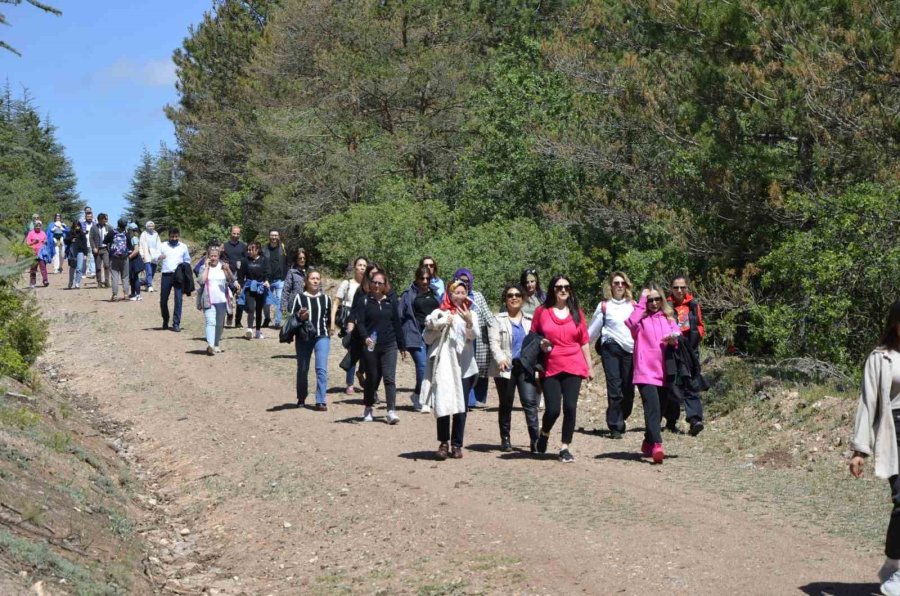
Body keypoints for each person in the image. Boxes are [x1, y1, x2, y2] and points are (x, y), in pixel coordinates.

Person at [850, 299, 900, 595]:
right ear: (895, 323)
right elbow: (867, 404)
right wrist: (860, 451)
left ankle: (893, 564)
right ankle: (895, 566)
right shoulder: (880, 357)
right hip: (894, 432)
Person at [532, 275, 593, 462]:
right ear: (552, 290)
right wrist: (541, 343)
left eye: (566, 287)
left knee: (570, 407)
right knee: (553, 410)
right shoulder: (541, 312)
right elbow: (533, 337)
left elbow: (584, 341)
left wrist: (589, 367)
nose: (563, 290)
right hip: (550, 365)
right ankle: (544, 433)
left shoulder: (577, 313)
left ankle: (565, 447)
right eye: (559, 287)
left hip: (574, 364)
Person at [422, 279, 478, 460]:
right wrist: (441, 323)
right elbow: (428, 336)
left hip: (465, 366)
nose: (460, 296)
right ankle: (443, 443)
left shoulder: (471, 313)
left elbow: (473, 336)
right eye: (457, 292)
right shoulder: (439, 312)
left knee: (461, 406)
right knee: (444, 402)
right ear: (449, 293)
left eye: (463, 292)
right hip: (445, 365)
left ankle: (457, 444)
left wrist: (469, 322)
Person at [626, 283, 681, 464]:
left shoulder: (668, 318)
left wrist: (673, 341)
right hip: (644, 372)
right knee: (652, 407)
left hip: (664, 371)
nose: (654, 303)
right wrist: (641, 302)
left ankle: (648, 441)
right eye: (651, 300)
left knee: (660, 410)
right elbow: (630, 322)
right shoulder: (640, 319)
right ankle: (657, 444)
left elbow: (678, 337)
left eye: (657, 299)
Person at [489, 283, 538, 452]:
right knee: (506, 403)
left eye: (517, 295)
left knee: (530, 403)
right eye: (510, 295)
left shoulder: (531, 321)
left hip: (525, 367)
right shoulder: (497, 320)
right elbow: (494, 343)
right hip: (506, 368)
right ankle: (505, 438)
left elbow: (536, 343)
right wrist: (500, 359)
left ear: (523, 299)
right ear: (505, 299)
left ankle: (535, 440)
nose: (514, 298)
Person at [588, 271, 636, 439]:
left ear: (627, 285)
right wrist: (580, 349)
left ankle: (621, 417)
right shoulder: (604, 306)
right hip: (610, 348)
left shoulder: (633, 305)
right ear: (611, 286)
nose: (619, 286)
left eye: (622, 283)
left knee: (628, 390)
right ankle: (615, 425)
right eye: (616, 283)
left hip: (630, 350)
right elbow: (592, 331)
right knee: (614, 388)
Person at [356, 270, 406, 424]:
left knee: (389, 378)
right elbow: (361, 323)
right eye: (374, 282)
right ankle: (368, 407)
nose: (377, 285)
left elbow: (397, 324)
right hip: (371, 346)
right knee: (372, 377)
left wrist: (402, 346)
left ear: (385, 285)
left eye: (380, 283)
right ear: (370, 283)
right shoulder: (364, 301)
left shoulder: (391, 302)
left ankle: (391, 411)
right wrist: (365, 338)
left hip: (389, 344)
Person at [667, 276, 706, 436]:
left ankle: (695, 419)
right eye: (676, 287)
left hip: (690, 350)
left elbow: (700, 324)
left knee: (690, 382)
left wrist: (698, 337)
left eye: (682, 287)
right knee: (672, 383)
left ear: (687, 288)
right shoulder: (666, 305)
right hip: (672, 349)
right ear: (671, 288)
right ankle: (671, 420)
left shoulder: (693, 304)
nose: (679, 290)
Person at [452, 268, 495, 408]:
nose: (464, 283)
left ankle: (480, 398)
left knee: (481, 368)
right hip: (460, 337)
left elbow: (487, 314)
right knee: (465, 367)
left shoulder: (477, 296)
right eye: (461, 280)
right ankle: (468, 400)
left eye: (466, 281)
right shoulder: (450, 297)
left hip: (479, 337)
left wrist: (496, 328)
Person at [400, 265, 440, 412]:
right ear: (416, 278)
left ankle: (424, 396)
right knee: (422, 366)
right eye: (422, 278)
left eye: (427, 278)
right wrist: (400, 342)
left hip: (434, 335)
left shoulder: (435, 293)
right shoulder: (408, 295)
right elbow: (399, 316)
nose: (424, 281)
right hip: (415, 334)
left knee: (434, 368)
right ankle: (419, 397)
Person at [291, 268, 331, 411]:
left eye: (317, 279)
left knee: (321, 369)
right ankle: (301, 397)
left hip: (322, 336)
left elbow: (329, 319)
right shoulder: (299, 298)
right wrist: (301, 316)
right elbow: (293, 317)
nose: (315, 281)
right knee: (302, 368)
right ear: (306, 281)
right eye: (312, 278)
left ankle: (321, 400)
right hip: (303, 337)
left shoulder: (326, 299)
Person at [333, 256, 367, 394]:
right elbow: (336, 302)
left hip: (365, 322)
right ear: (355, 267)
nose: (362, 268)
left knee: (366, 352)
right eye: (360, 265)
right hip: (350, 321)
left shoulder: (370, 285)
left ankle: (361, 372)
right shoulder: (347, 284)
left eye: (364, 265)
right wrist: (332, 323)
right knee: (352, 352)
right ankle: (350, 383)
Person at [196, 246, 236, 355]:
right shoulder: (204, 268)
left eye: (215, 256)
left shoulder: (223, 266)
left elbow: (231, 280)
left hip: (222, 300)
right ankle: (210, 345)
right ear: (208, 256)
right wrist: (206, 268)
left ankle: (216, 343)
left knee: (219, 324)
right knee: (210, 322)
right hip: (208, 299)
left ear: (219, 257)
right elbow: (201, 281)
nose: (213, 258)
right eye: (211, 256)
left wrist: (227, 270)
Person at [158, 228, 191, 332]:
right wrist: (159, 257)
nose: (174, 238)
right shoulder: (163, 245)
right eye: (172, 236)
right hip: (166, 274)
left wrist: (184, 265)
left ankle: (176, 323)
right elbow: (154, 256)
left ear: (179, 236)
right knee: (163, 300)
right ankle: (165, 319)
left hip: (178, 275)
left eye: (176, 236)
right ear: (169, 236)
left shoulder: (183, 246)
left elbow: (187, 260)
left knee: (178, 299)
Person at [238, 241, 270, 340]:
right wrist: (240, 285)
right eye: (248, 249)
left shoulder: (264, 260)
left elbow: (267, 272)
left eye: (251, 249)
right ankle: (249, 329)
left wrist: (267, 281)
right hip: (249, 287)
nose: (249, 251)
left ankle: (258, 331)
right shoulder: (244, 260)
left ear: (258, 250)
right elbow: (241, 275)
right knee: (251, 308)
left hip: (260, 287)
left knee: (259, 309)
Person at [222, 226, 247, 327]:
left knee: (240, 298)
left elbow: (246, 259)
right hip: (227, 275)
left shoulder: (243, 246)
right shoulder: (224, 245)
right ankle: (229, 314)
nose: (236, 236)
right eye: (234, 233)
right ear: (230, 233)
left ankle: (238, 321)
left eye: (238, 234)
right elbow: (220, 259)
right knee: (228, 298)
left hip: (240, 275)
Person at [262, 229, 287, 328]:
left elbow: (287, 262)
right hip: (267, 280)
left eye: (276, 235)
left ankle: (277, 321)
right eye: (272, 235)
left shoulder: (283, 248)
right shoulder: (264, 250)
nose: (274, 237)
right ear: (269, 236)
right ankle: (267, 318)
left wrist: (286, 276)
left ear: (279, 236)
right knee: (266, 302)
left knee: (279, 300)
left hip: (280, 279)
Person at [104, 218, 132, 301]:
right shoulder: (126, 234)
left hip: (114, 257)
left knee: (114, 276)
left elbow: (104, 242)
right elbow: (130, 246)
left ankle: (115, 295)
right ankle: (126, 294)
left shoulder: (112, 232)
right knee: (125, 276)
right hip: (124, 257)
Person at [281, 247, 307, 321]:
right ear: (296, 259)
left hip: (308, 304)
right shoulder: (292, 272)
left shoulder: (310, 272)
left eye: (304, 258)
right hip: (294, 305)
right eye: (300, 258)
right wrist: (284, 307)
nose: (302, 260)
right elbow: (286, 290)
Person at [89, 213, 113, 288]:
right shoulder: (94, 228)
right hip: (97, 249)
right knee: (98, 267)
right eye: (102, 220)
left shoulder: (109, 227)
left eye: (104, 219)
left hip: (106, 249)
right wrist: (93, 247)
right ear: (99, 220)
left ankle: (106, 281)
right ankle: (99, 282)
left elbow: (112, 237)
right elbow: (91, 238)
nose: (104, 221)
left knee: (106, 265)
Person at [64, 219, 88, 289]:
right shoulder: (70, 232)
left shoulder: (82, 234)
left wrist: (85, 254)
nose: (77, 227)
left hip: (80, 252)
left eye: (78, 225)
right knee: (72, 267)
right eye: (76, 225)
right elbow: (65, 241)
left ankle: (77, 283)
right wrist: (71, 239)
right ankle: (71, 281)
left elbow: (85, 244)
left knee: (79, 268)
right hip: (72, 252)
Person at [25, 220, 49, 289]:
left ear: (41, 226)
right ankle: (32, 283)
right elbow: (27, 243)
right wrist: (34, 242)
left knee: (43, 267)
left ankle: (45, 281)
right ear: (34, 226)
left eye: (39, 226)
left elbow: (46, 241)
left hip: (41, 253)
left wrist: (45, 241)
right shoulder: (31, 233)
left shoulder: (43, 233)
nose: (38, 227)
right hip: (33, 253)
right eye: (37, 226)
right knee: (33, 269)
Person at [139, 221, 161, 293]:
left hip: (154, 255)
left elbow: (159, 244)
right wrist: (142, 254)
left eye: (152, 226)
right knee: (149, 271)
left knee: (153, 271)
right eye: (149, 226)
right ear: (146, 226)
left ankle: (144, 283)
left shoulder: (156, 234)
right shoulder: (143, 234)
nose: (151, 227)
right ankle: (150, 285)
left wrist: (159, 253)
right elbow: (141, 245)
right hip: (147, 254)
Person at [127, 223, 144, 301]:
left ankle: (138, 295)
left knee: (135, 277)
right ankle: (133, 293)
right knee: (132, 277)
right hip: (133, 259)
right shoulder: (134, 237)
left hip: (135, 259)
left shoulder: (134, 238)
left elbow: (136, 250)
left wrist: (129, 257)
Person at [81, 208, 96, 278]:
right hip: (84, 243)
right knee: (84, 259)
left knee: (92, 258)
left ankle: (93, 272)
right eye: (88, 217)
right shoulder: (82, 224)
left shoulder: (95, 224)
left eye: (90, 217)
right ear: (85, 217)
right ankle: (83, 273)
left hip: (92, 243)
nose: (89, 218)